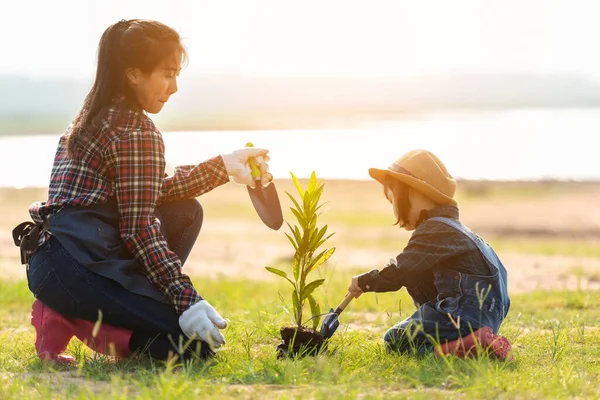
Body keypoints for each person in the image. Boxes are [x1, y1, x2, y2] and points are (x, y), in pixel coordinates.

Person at [13, 19, 272, 364]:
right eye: (167, 74)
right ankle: (73, 316)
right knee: (192, 349)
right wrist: (186, 300)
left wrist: (226, 166)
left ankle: (94, 309)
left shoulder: (93, 116)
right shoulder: (135, 132)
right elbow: (138, 226)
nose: (175, 86)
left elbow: (146, 192)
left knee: (186, 210)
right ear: (134, 74)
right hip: (78, 267)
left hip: (51, 260)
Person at [347, 149, 512, 359]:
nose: (393, 209)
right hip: (486, 318)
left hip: (462, 315)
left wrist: (367, 281)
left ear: (416, 193)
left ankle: (463, 347)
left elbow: (402, 270)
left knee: (395, 339)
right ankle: (470, 341)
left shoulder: (434, 230)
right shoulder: (458, 230)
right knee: (418, 275)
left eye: (392, 200)